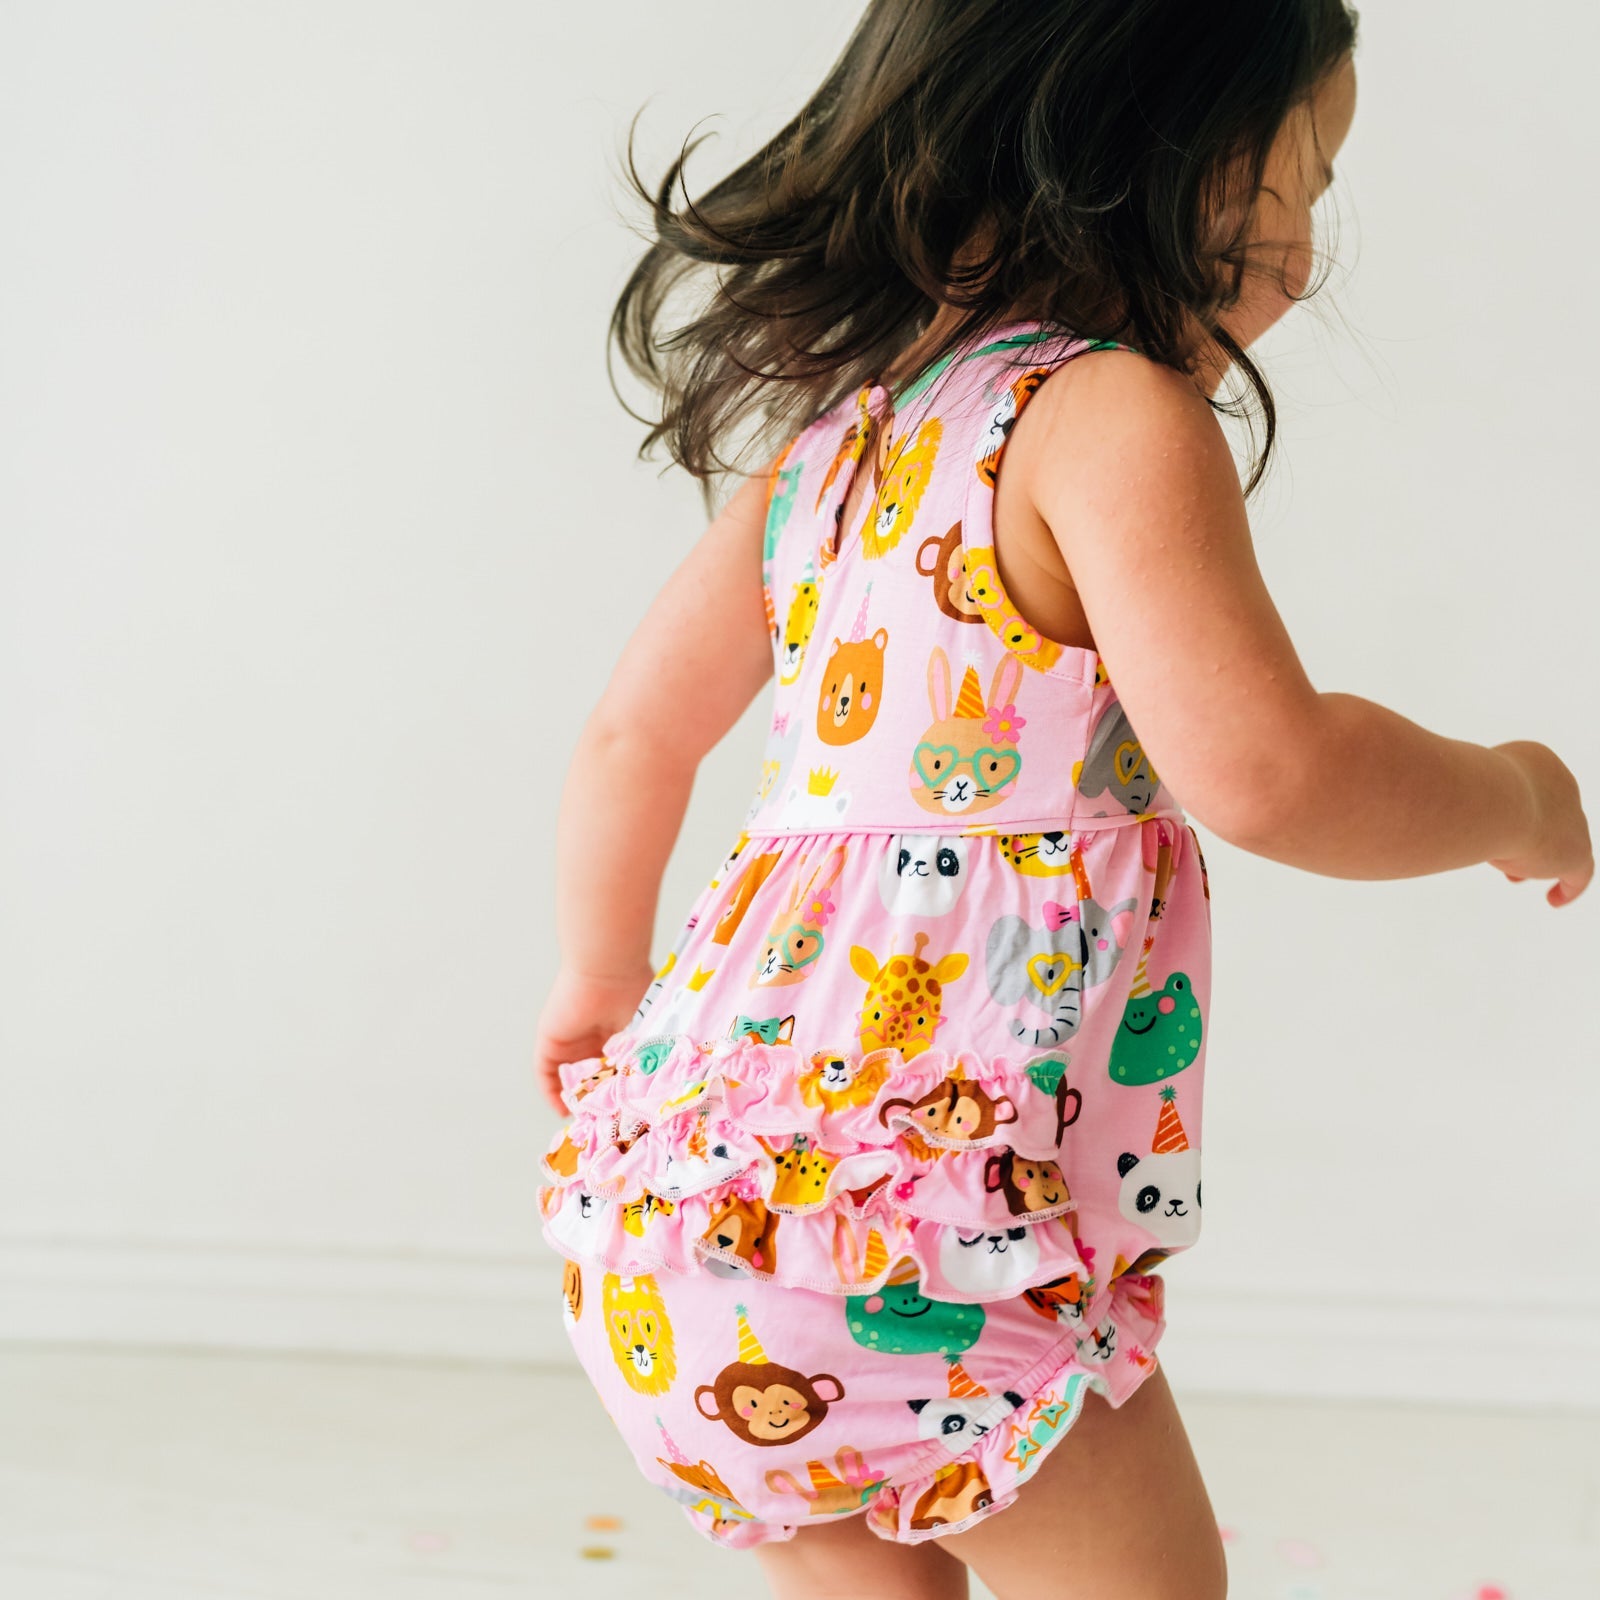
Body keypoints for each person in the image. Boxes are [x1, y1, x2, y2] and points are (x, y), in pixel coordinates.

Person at [532, 5, 1591, 1596]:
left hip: (683, 1228)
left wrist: (598, 983)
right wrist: (1508, 795)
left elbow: (631, 738)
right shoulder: (1103, 418)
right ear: (1145, 157)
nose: (1307, 243)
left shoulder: (830, 441)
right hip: (938, 1239)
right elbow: (1270, 769)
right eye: (1295, 177)